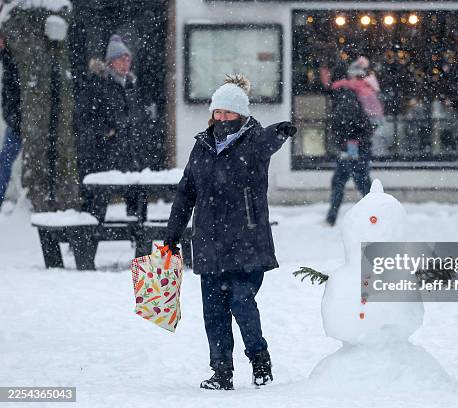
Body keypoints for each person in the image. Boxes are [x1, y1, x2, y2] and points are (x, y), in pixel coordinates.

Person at [163, 74, 296, 390]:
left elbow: (269, 139)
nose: (221, 118)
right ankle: (221, 371)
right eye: (217, 112)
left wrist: (281, 131)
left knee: (240, 301)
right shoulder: (202, 146)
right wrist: (172, 236)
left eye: (228, 112)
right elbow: (186, 193)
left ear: (242, 115)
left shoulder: (254, 143)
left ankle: (260, 361)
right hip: (209, 241)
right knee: (214, 311)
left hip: (246, 241)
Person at [76, 34, 151, 220]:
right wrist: (106, 131)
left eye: (128, 58)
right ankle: (87, 242)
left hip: (130, 154)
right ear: (110, 63)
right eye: (120, 58)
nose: (125, 62)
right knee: (96, 203)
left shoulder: (132, 87)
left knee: (138, 197)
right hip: (103, 155)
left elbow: (138, 117)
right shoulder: (97, 85)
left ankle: (139, 239)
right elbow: (85, 119)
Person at [323, 63, 373, 226]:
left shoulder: (343, 94)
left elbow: (348, 121)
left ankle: (378, 215)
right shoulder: (347, 92)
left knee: (358, 182)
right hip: (355, 145)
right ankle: (331, 218)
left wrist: (346, 143)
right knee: (354, 181)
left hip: (352, 146)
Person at [0, 35, 21, 207]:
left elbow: (10, 95)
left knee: (6, 162)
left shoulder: (11, 62)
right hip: (15, 121)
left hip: (17, 122)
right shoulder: (8, 62)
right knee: (5, 162)